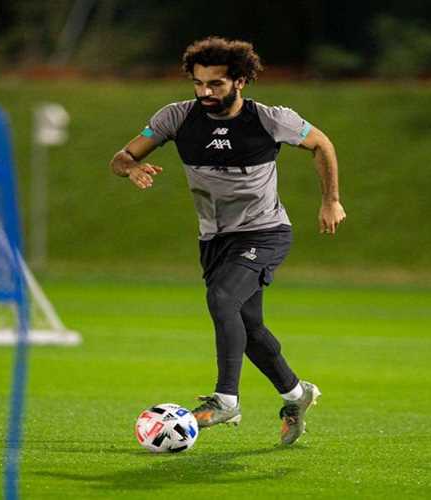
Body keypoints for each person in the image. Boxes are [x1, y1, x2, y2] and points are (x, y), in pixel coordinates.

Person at [109, 37, 346, 445]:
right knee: (249, 328)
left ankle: (226, 400)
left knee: (221, 299)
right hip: (215, 240)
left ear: (240, 81)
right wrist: (131, 168)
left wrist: (331, 200)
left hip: (265, 232)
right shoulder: (176, 118)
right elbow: (122, 157)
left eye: (215, 84)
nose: (205, 92)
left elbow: (321, 144)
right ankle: (297, 395)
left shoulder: (271, 119)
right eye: (198, 83)